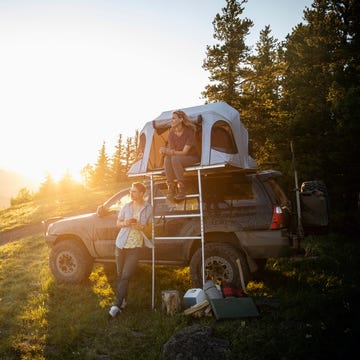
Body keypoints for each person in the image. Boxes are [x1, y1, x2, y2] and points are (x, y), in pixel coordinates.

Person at [109, 182, 153, 319]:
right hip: (121, 244)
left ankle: (116, 305)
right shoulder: (126, 206)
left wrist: (142, 227)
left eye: (134, 191)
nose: (131, 193)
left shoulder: (149, 208)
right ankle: (123, 301)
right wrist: (125, 223)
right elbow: (118, 223)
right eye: (131, 191)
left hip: (135, 246)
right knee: (120, 274)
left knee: (126, 275)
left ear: (141, 194)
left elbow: (151, 228)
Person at [160, 110, 200, 201]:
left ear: (181, 119)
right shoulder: (171, 133)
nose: (172, 120)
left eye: (174, 118)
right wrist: (165, 151)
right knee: (167, 158)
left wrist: (168, 151)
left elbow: (185, 152)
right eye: (171, 118)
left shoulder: (190, 131)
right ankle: (171, 187)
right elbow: (172, 151)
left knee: (174, 158)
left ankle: (182, 188)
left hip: (192, 157)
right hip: (177, 158)